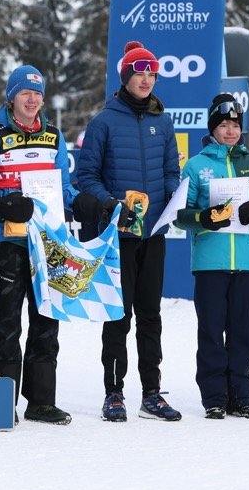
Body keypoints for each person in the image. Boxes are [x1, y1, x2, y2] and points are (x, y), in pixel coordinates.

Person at [0, 66, 91, 425]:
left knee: (47, 321)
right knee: (7, 323)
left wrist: (86, 202)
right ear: (11, 97)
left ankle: (41, 402)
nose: (32, 100)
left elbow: (64, 189)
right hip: (9, 242)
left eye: (37, 94)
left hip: (47, 243)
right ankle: (2, 401)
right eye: (25, 93)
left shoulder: (53, 136)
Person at [75, 41, 182, 422]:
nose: (147, 80)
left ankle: (152, 393)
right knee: (118, 317)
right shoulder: (103, 122)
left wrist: (173, 194)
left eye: (152, 74)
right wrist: (111, 202)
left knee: (150, 315)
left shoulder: (162, 122)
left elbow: (171, 171)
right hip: (118, 236)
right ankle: (114, 392)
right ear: (125, 77)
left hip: (152, 235)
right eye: (140, 73)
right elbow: (86, 176)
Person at [175, 93, 249, 419]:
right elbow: (179, 215)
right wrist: (203, 218)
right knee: (211, 332)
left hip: (246, 261)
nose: (230, 131)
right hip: (210, 262)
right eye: (224, 125)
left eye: (235, 125)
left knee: (243, 333)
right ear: (213, 128)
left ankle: (241, 397)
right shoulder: (196, 165)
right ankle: (215, 397)